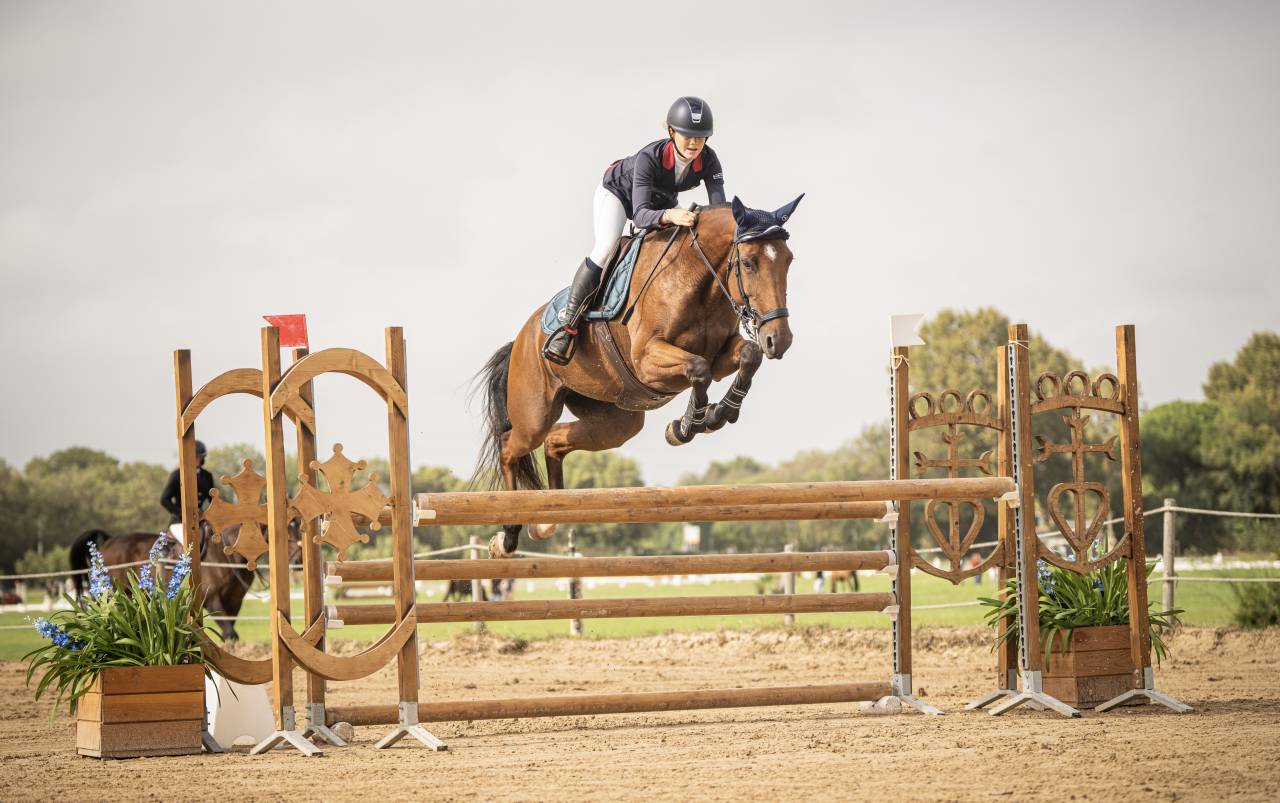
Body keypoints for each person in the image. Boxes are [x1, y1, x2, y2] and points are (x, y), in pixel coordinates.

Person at [542, 96, 727, 365]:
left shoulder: (709, 160)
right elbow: (640, 216)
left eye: (700, 137)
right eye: (687, 135)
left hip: (659, 199)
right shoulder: (649, 158)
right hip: (619, 194)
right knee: (606, 246)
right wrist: (670, 215)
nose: (693, 143)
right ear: (671, 132)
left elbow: (718, 211)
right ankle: (567, 327)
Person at [160, 440, 215, 528]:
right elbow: (164, 499)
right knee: (175, 536)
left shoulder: (207, 476)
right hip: (179, 520)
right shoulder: (177, 475)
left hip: (200, 520)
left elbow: (212, 500)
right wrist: (180, 513)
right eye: (195, 457)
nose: (197, 460)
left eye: (199, 457)